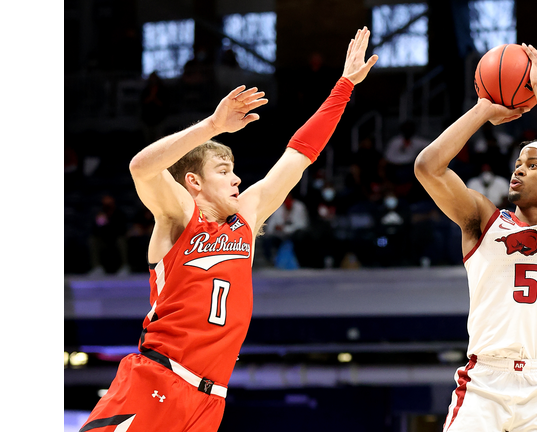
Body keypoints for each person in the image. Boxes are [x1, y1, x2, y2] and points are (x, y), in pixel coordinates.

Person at [78, 27, 378, 432]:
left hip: (211, 398)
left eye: (235, 170)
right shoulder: (180, 216)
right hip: (156, 380)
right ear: (195, 183)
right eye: (224, 171)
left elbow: (299, 155)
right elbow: (140, 168)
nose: (237, 180)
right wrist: (212, 126)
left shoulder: (246, 218)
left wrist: (343, 86)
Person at [415, 43, 537, 432]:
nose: (518, 171)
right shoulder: (484, 220)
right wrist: (483, 107)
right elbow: (428, 167)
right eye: (517, 164)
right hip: (484, 383)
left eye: (532, 165)